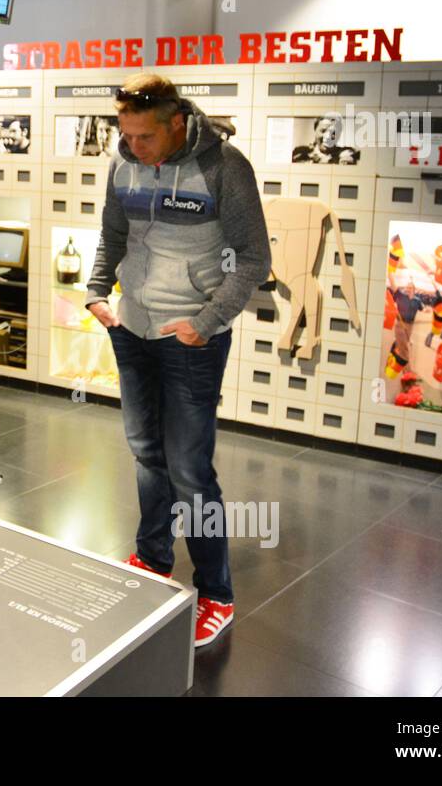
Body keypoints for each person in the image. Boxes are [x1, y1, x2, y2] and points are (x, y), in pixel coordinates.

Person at [85, 73, 270, 649]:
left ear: (176, 123)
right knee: (146, 454)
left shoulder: (224, 167)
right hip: (132, 328)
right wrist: (97, 290)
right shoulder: (123, 164)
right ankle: (153, 556)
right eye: (125, 134)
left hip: (190, 339)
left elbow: (253, 260)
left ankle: (215, 592)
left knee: (191, 471)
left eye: (142, 137)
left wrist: (207, 322)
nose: (131, 146)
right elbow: (112, 235)